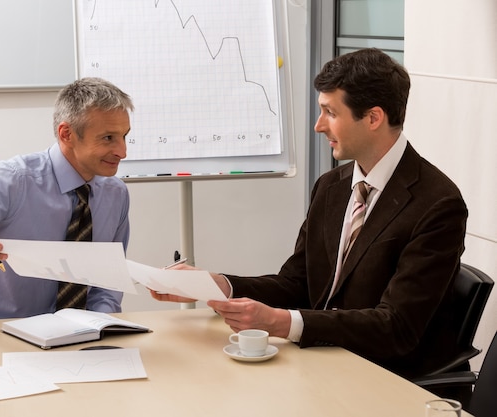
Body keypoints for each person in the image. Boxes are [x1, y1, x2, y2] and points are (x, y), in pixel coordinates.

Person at [151, 48, 468, 380]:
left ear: (373, 118)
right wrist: (217, 285)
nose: (319, 126)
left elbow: (396, 327)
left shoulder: (437, 204)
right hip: (324, 363)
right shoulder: (331, 187)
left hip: (387, 378)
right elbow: (296, 283)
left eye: (330, 112)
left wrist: (282, 322)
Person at [0, 77, 134, 321]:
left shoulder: (115, 194)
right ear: (67, 134)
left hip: (78, 337)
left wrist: (100, 324)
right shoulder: (11, 180)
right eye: (108, 138)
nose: (122, 151)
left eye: (124, 136)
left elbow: (107, 283)